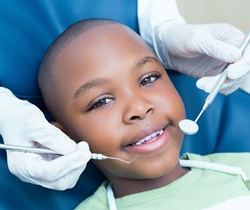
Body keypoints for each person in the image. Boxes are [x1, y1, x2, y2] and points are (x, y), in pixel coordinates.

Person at [1, 0, 250, 190]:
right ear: (61, 136)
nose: (139, 109)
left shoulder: (241, 169)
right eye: (102, 101)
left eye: (149, 78)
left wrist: (162, 27)